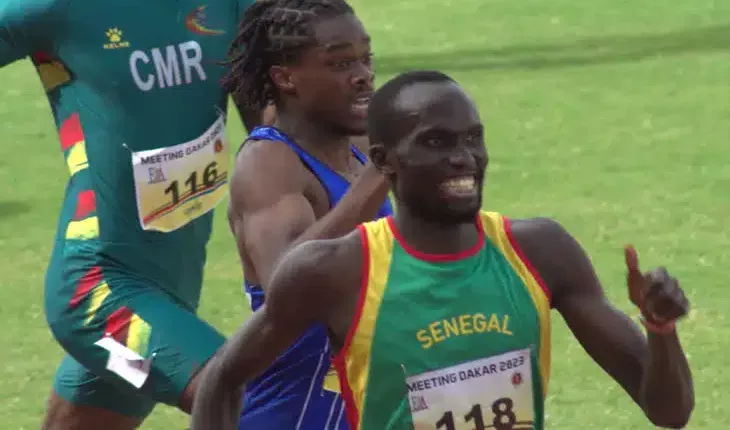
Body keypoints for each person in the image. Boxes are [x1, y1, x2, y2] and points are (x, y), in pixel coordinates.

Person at [191, 70, 695, 430]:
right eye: (436, 142)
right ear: (384, 162)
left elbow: (670, 412)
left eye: (472, 139)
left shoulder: (540, 251)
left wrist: (661, 330)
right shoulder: (337, 270)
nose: (463, 158)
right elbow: (223, 381)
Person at [0, 0, 269, 428]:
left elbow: (276, 140)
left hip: (172, 288)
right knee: (253, 401)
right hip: (98, 294)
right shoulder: (55, 9)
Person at [218, 0, 393, 428]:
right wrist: (380, 176)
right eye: (339, 63)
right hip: (296, 414)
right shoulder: (268, 164)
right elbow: (286, 283)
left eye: (365, 58)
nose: (362, 75)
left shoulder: (363, 139)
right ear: (285, 77)